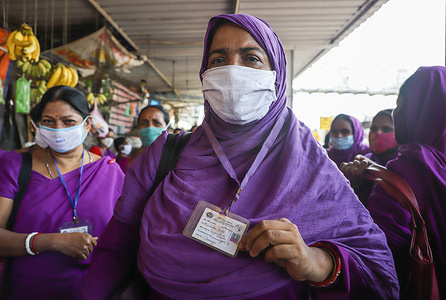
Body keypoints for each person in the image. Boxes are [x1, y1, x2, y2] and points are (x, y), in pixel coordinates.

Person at [82, 14, 399, 299]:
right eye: (219, 60)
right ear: (204, 74)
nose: (233, 70)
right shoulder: (163, 155)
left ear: (276, 75)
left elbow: (375, 267)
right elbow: (116, 248)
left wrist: (316, 263)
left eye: (251, 58)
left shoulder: (312, 166)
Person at [0, 85, 125, 299]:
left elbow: (124, 240)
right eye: (49, 121)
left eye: (68, 121)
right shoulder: (15, 165)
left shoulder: (110, 171)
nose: (58, 128)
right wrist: (52, 241)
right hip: (29, 289)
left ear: (87, 125)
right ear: (38, 125)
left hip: (96, 289)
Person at [366, 66, 446, 299]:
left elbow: (381, 255)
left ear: (419, 110)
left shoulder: (407, 168)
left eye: (400, 104)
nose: (396, 112)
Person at [339, 109, 398, 206]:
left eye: (386, 129)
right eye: (373, 129)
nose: (377, 133)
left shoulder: (403, 166)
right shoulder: (362, 163)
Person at [119, 104, 169, 173]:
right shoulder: (126, 164)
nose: (150, 128)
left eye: (156, 123)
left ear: (167, 127)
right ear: (139, 127)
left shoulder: (178, 161)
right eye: (144, 123)